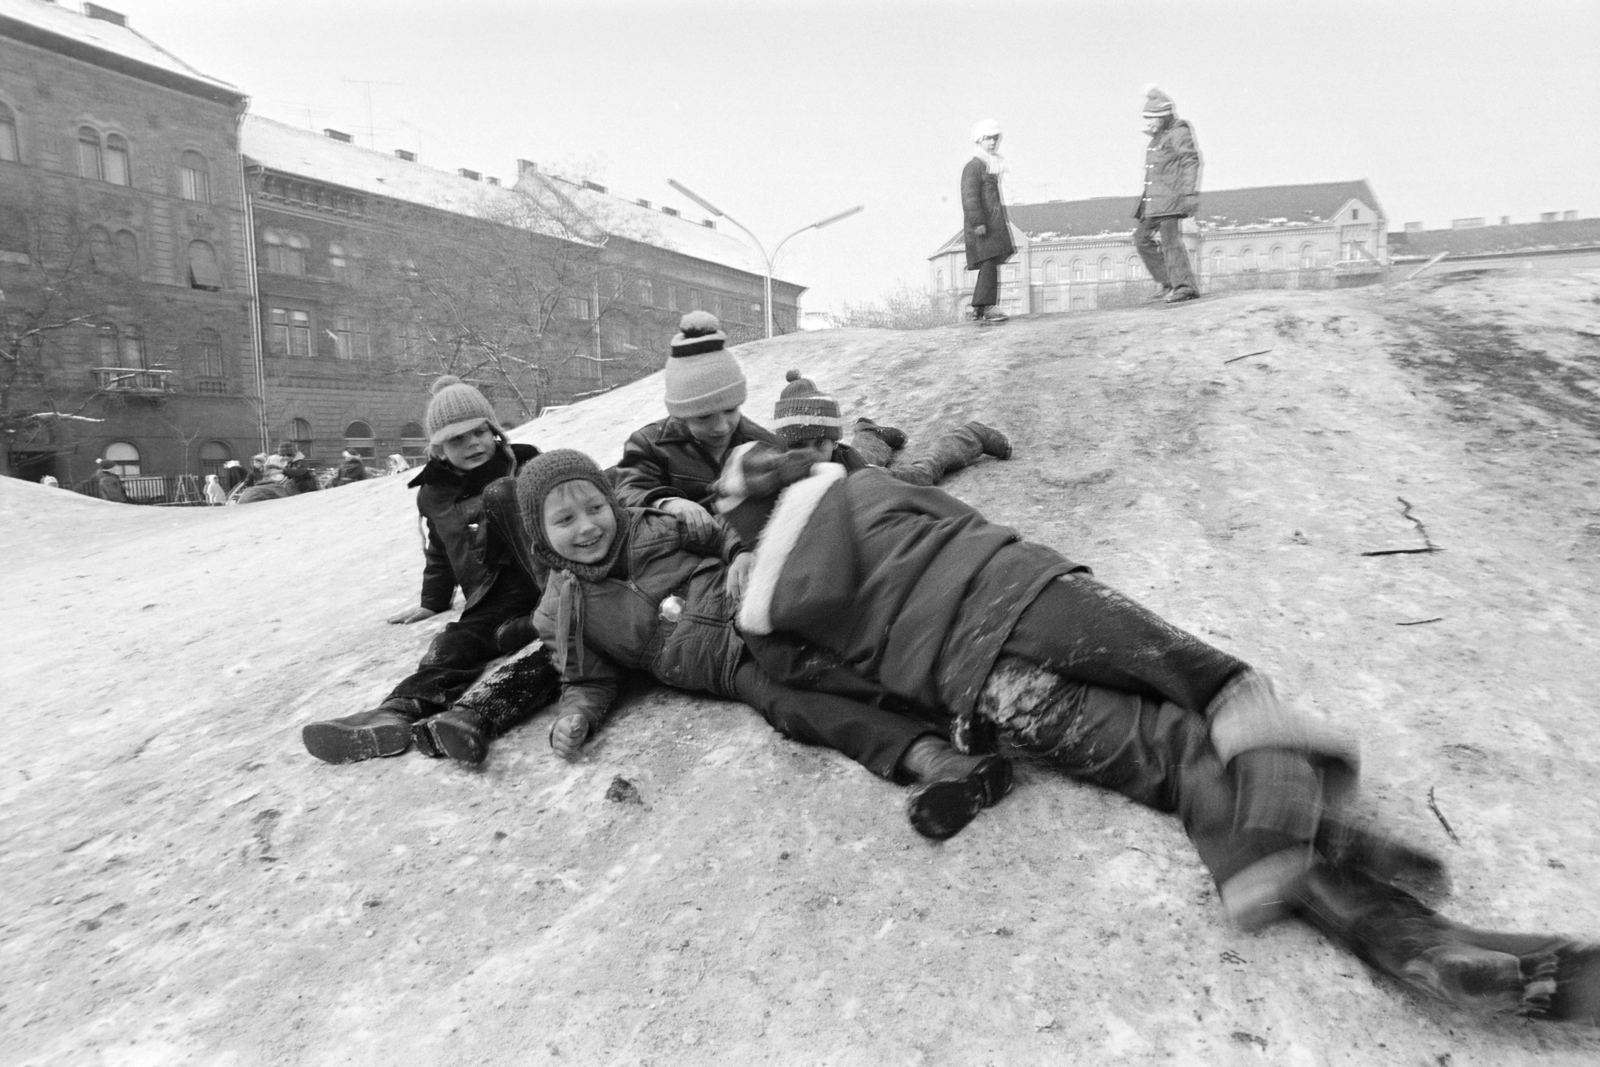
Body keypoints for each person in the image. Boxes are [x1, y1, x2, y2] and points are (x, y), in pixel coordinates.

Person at [710, 448, 1600, 1023]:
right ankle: (1307, 807)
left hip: (983, 685)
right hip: (1026, 593)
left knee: (1175, 759)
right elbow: (958, 518)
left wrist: (938, 721)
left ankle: (1401, 935)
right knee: (1217, 686)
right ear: (798, 476)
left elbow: (841, 690)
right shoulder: (862, 484)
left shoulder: (765, 622)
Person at [515, 448, 1013, 835]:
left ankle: (955, 712)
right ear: (538, 533)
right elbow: (585, 676)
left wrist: (738, 555)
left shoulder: (650, 525)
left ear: (610, 501)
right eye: (564, 520)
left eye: (595, 507)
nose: (587, 526)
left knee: (821, 661)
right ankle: (933, 759)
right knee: (795, 708)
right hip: (724, 670)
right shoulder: (561, 610)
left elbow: (721, 534)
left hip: (748, 613)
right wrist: (577, 712)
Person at [302, 375, 557, 767]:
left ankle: (521, 637)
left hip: (544, 577)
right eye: (458, 439)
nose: (473, 444)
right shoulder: (433, 493)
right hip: (494, 594)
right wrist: (432, 601)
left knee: (502, 499)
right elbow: (440, 550)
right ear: (438, 449)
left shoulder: (528, 465)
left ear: (495, 432)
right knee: (454, 642)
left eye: (480, 432)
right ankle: (398, 711)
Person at [612, 312, 778, 541]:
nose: (721, 427)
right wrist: (669, 503)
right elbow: (626, 494)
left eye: (731, 410)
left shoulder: (762, 444)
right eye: (703, 417)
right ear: (681, 415)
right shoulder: (649, 445)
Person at [772, 369, 1011, 487]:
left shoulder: (853, 471)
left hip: (863, 477)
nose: (811, 454)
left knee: (922, 472)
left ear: (834, 442)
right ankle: (867, 433)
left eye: (819, 443)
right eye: (799, 445)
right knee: (865, 453)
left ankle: (971, 435)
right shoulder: (774, 471)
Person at [1134, 85, 1202, 304]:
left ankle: (1185, 287)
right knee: (1142, 238)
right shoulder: (1158, 137)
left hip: (1171, 199)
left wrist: (1188, 194)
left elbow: (1190, 161)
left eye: (1151, 119)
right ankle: (1168, 281)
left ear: (1162, 117)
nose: (1148, 123)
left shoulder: (1179, 132)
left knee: (1170, 242)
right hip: (1155, 201)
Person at [961, 119, 1015, 324]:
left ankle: (981, 308)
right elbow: (970, 198)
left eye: (995, 139)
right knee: (989, 265)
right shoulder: (973, 166)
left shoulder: (990, 165)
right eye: (988, 139)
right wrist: (978, 223)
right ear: (979, 140)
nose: (992, 143)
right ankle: (986, 307)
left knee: (990, 265)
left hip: (991, 225)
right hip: (983, 228)